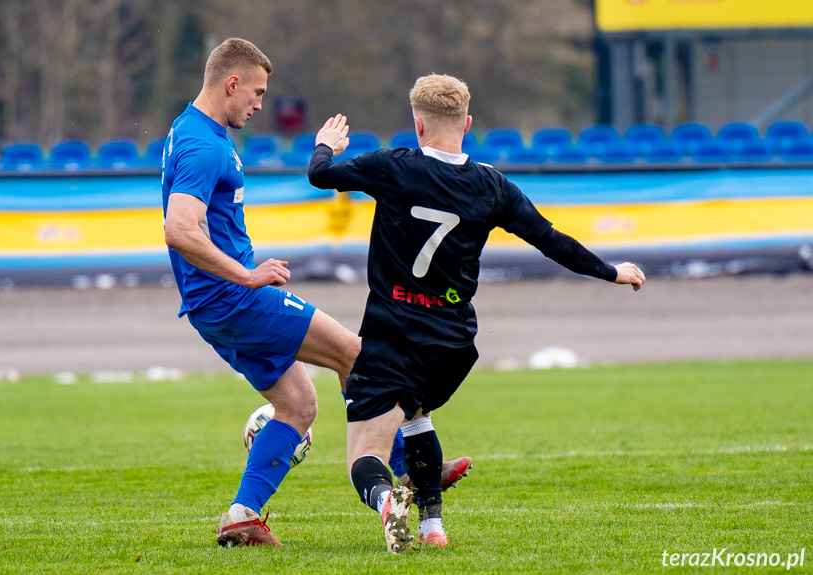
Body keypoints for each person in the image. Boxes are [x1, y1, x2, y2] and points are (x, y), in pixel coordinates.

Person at [308, 74, 646, 553]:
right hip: (452, 345)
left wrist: (325, 146)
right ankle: (431, 528)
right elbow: (551, 241)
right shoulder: (492, 186)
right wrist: (611, 271)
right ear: (467, 123)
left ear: (418, 125)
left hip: (392, 337)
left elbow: (320, 175)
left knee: (365, 456)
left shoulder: (392, 167)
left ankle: (387, 502)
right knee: (417, 417)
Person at [161, 39, 469, 548]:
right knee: (357, 355)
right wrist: (248, 276)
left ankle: (242, 515)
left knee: (299, 405)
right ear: (231, 84)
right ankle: (407, 470)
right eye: (256, 92)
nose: (261, 104)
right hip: (236, 298)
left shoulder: (190, 130)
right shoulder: (203, 146)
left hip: (209, 305)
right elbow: (180, 229)